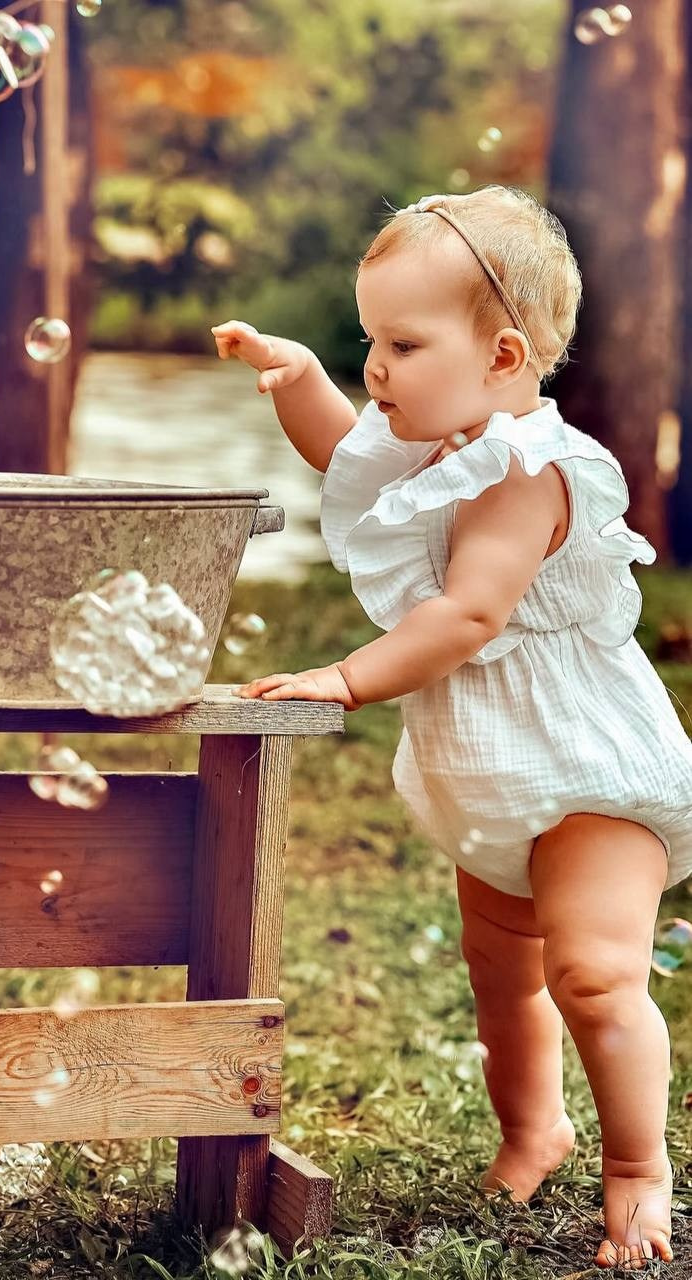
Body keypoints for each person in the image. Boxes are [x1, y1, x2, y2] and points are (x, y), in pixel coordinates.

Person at [213, 184, 692, 1271]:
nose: (376, 368)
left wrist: (344, 676)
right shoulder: (447, 438)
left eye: (401, 342)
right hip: (491, 770)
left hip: (585, 768)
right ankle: (533, 1126)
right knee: (501, 970)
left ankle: (637, 1166)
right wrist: (297, 379)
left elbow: (470, 613)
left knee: (594, 974)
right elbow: (345, 453)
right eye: (370, 339)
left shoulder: (527, 470)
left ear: (504, 355)